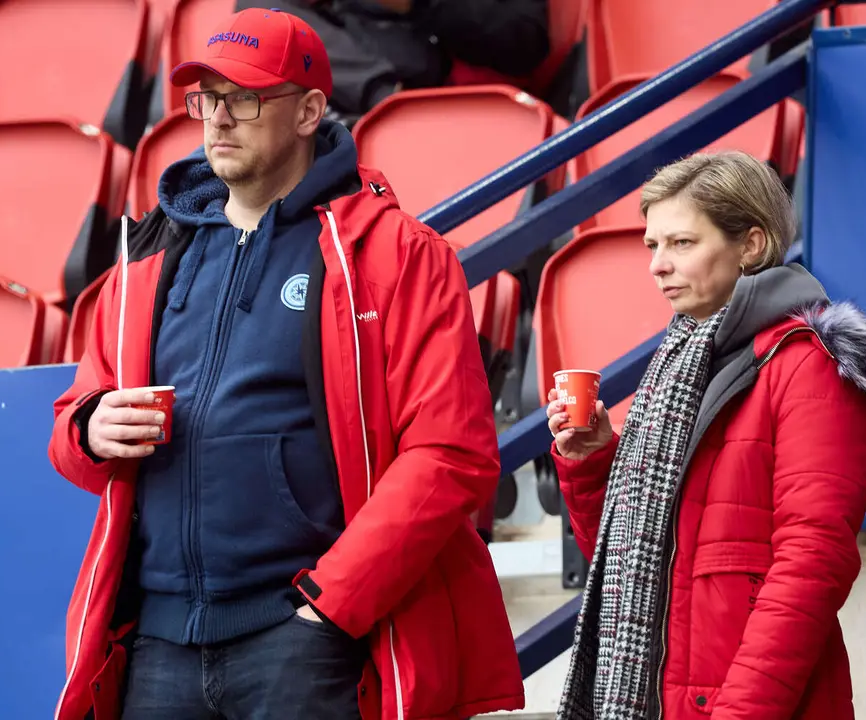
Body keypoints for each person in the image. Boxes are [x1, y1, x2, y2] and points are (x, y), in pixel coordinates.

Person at [48, 8, 523, 720]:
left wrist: (329, 611)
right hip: (159, 643)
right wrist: (89, 429)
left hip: (299, 638)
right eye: (205, 100)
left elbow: (451, 453)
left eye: (244, 99)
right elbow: (71, 430)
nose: (218, 120)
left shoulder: (397, 253)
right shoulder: (146, 260)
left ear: (307, 112)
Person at [547, 151, 866, 720]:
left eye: (681, 243)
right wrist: (595, 462)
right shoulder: (680, 368)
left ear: (750, 245)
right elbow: (633, 564)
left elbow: (812, 565)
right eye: (652, 246)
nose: (657, 265)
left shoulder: (810, 365)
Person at [237, 0, 550, 122]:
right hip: (353, 103)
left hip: (449, 99)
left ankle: (390, 109)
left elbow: (526, 43)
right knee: (258, 15)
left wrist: (415, 5)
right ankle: (385, 104)